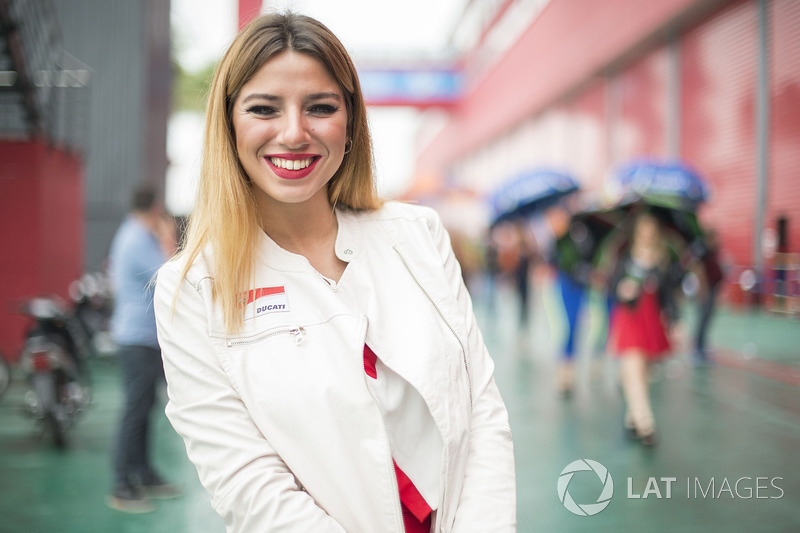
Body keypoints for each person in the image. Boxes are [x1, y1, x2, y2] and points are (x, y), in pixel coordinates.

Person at [153, 12, 516, 533]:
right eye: (264, 109)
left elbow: (480, 408)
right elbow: (248, 485)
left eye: (320, 107)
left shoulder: (417, 234)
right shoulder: (192, 288)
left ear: (350, 122)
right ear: (229, 125)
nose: (294, 133)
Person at [107, 185, 180, 512]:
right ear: (155, 208)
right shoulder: (137, 239)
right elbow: (169, 274)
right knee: (135, 412)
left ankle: (144, 474)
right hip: (138, 338)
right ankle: (122, 485)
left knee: (145, 408)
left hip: (145, 337)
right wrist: (169, 237)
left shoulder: (134, 234)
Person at [608, 212, 681, 446]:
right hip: (629, 317)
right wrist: (622, 289)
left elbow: (668, 295)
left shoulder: (663, 258)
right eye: (643, 229)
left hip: (651, 319)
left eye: (651, 229)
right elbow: (612, 284)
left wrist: (675, 320)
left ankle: (632, 416)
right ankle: (645, 423)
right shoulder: (625, 255)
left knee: (643, 371)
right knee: (632, 365)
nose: (647, 234)